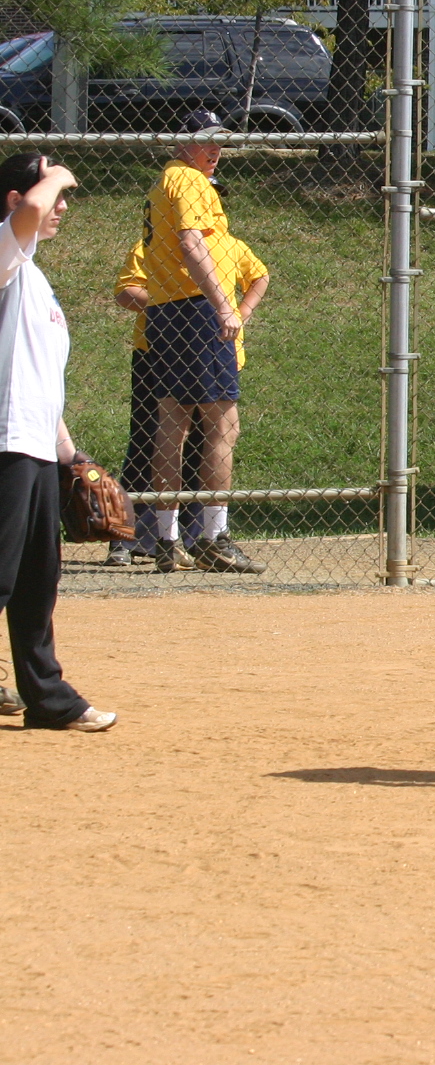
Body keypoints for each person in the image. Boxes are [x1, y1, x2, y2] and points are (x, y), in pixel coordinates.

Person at [0, 152, 116, 730]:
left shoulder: (35, 280)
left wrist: (72, 454)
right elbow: (30, 212)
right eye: (54, 194)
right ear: (13, 200)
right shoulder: (4, 254)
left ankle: (48, 700)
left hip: (35, 446)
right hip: (5, 445)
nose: (62, 205)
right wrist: (59, 173)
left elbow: (39, 379)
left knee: (35, 580)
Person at [140, 111, 265, 574]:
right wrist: (223, 306)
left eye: (219, 142)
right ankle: (214, 537)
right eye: (204, 141)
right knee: (222, 423)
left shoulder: (166, 181)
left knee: (172, 421)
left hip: (165, 311)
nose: (214, 150)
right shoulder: (189, 179)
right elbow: (192, 244)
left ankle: (168, 540)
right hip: (195, 310)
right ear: (180, 144)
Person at [107, 232, 268, 566]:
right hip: (156, 352)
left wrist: (240, 313)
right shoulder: (153, 244)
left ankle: (193, 538)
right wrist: (172, 307)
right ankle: (128, 537)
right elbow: (126, 291)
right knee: (148, 439)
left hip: (216, 351)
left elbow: (260, 276)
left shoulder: (229, 243)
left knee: (204, 443)